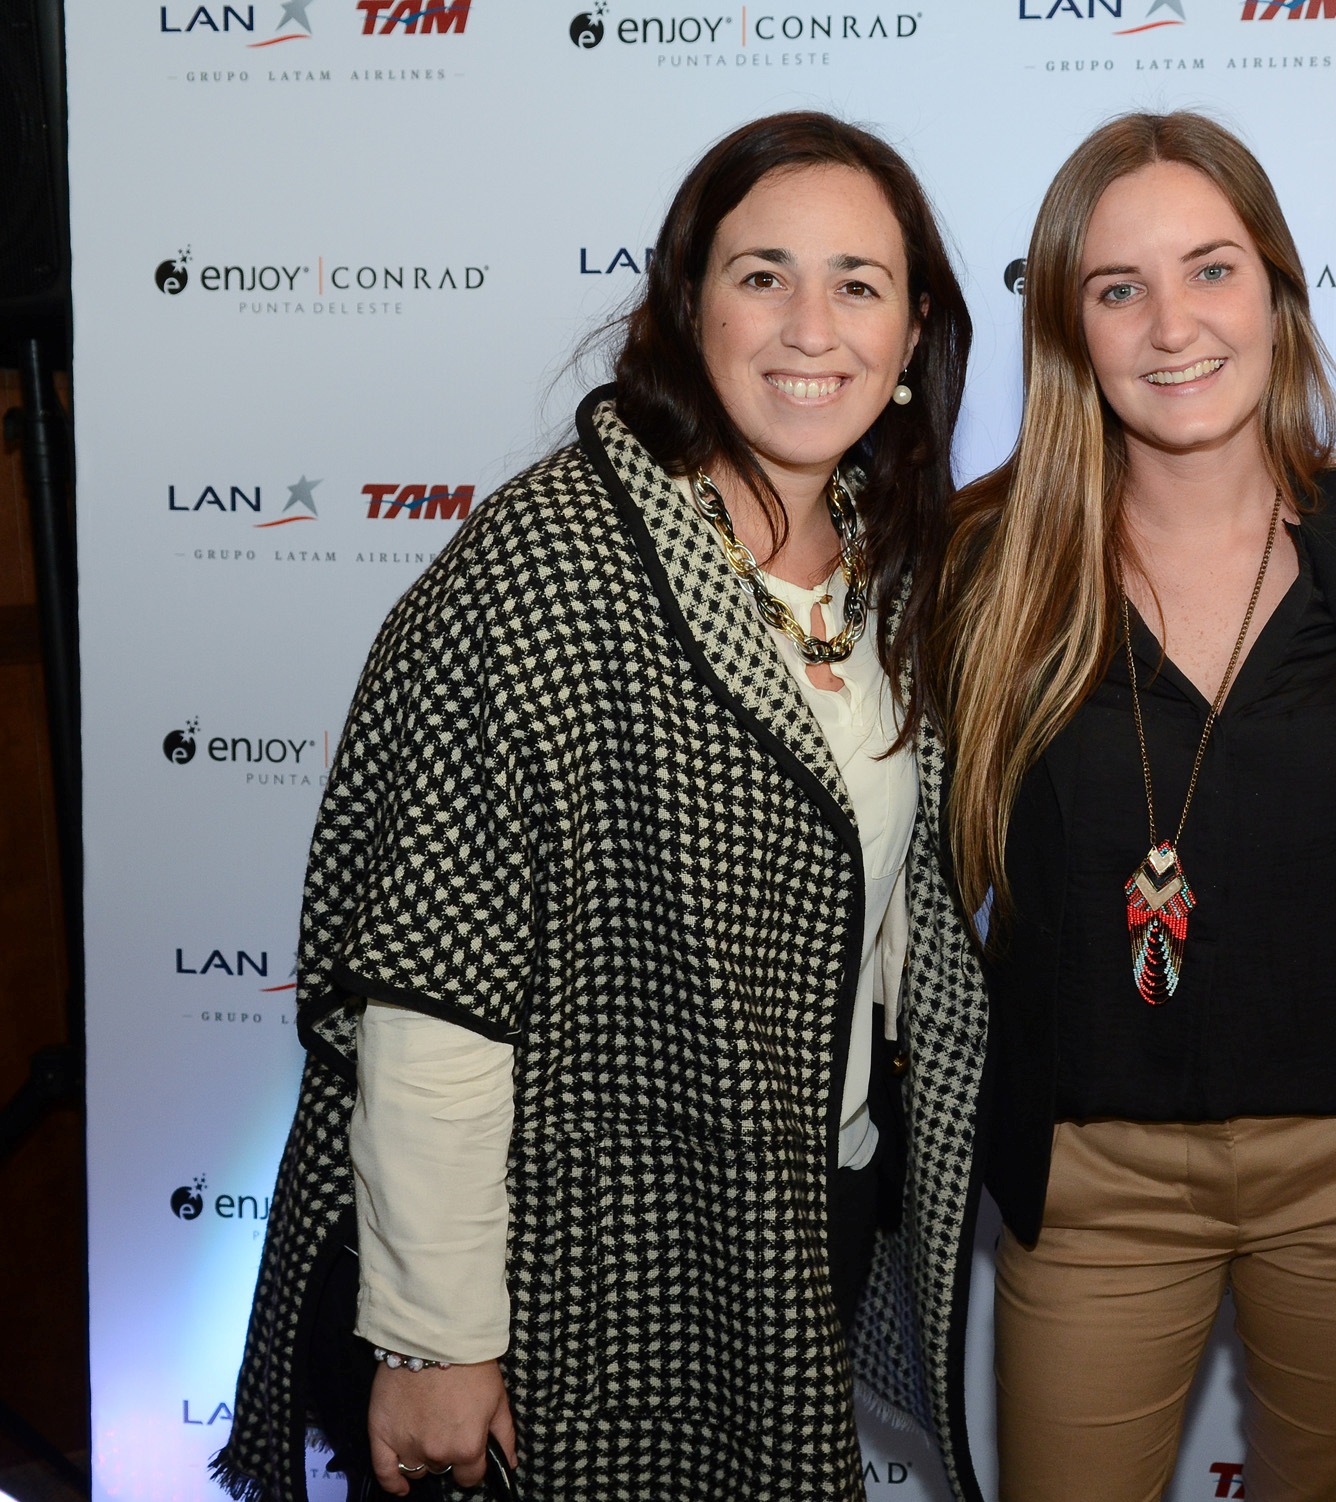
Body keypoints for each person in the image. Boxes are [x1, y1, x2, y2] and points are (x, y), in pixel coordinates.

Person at [211, 112, 988, 1502]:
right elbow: (433, 994)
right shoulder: (548, 562)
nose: (810, 324)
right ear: (687, 305)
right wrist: (437, 1333)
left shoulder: (885, 568)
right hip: (583, 1254)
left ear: (915, 330)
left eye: (858, 283)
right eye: (762, 274)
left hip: (796, 1209)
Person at [935, 112, 1336, 1502]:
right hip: (1096, 1179)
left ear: (1276, 289)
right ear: (1067, 328)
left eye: (1210, 270)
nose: (1170, 324)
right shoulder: (984, 561)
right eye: (1115, 288)